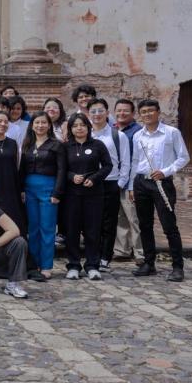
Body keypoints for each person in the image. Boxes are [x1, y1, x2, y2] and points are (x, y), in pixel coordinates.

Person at [129, 99, 189, 282]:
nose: (147, 114)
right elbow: (134, 162)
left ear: (158, 112)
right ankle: (149, 263)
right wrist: (132, 186)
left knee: (169, 226)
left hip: (162, 183)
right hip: (141, 183)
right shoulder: (138, 135)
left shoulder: (172, 133)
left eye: (150, 111)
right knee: (144, 225)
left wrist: (165, 171)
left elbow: (183, 157)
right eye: (143, 111)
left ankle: (177, 267)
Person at [63, 113, 112, 281]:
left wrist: (94, 179)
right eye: (75, 125)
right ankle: (73, 265)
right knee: (72, 231)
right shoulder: (65, 147)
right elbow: (60, 169)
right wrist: (71, 176)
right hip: (71, 196)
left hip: (94, 194)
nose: (79, 128)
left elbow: (107, 166)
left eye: (82, 125)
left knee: (93, 231)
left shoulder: (98, 145)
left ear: (88, 127)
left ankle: (92, 265)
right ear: (70, 129)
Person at [19, 111, 65, 279]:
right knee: (33, 228)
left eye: (43, 123)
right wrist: (22, 189)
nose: (40, 126)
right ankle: (33, 264)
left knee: (47, 228)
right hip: (29, 188)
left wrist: (57, 192)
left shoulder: (56, 145)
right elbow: (22, 169)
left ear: (49, 125)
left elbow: (61, 170)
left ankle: (46, 265)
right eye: (37, 122)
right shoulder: (27, 144)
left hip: (48, 188)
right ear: (32, 125)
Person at [88, 98, 131, 273]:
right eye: (93, 111)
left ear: (107, 113)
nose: (96, 115)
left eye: (100, 111)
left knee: (108, 223)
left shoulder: (118, 135)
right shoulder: (86, 134)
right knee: (91, 222)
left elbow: (125, 162)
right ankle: (93, 256)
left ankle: (105, 258)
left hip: (110, 183)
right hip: (90, 183)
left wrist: (119, 184)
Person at [113, 98, 143, 263]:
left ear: (132, 114)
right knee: (120, 217)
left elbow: (136, 161)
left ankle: (140, 253)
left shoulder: (137, 131)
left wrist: (132, 184)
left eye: (126, 111)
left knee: (134, 218)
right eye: (119, 110)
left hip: (131, 181)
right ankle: (122, 250)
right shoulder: (113, 129)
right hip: (115, 180)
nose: (122, 113)